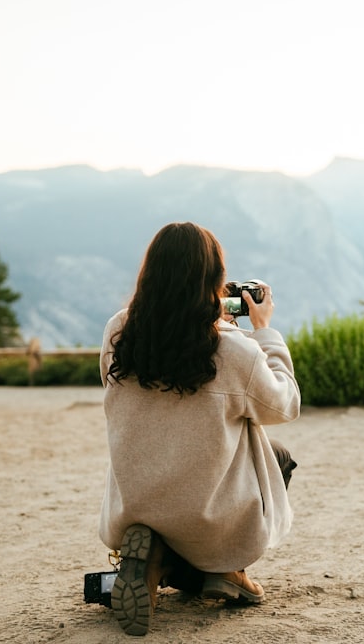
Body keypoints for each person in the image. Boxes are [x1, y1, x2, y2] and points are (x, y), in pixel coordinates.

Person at [97, 222, 301, 636]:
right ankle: (227, 567)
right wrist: (263, 331)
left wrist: (213, 322)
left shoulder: (119, 331)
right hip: (209, 522)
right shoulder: (236, 350)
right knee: (276, 454)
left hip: (136, 507)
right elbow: (284, 405)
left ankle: (154, 556)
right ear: (215, 281)